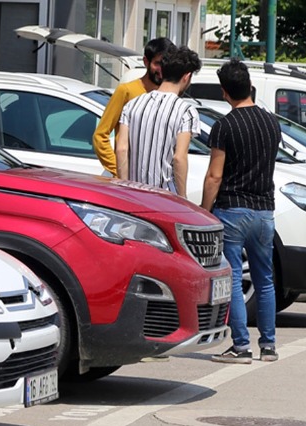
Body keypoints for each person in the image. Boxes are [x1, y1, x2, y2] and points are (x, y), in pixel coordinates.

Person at [201, 59, 282, 364]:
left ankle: (241, 346)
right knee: (265, 280)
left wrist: (205, 212)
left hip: (232, 209)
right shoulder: (272, 123)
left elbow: (214, 176)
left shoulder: (224, 126)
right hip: (264, 212)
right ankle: (269, 345)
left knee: (234, 279)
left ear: (224, 92)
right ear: (250, 86)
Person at [115, 46, 201, 196]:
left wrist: (125, 188)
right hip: (166, 196)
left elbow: (121, 149)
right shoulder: (186, 112)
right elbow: (179, 158)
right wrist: (183, 198)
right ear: (186, 76)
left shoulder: (132, 105)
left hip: (134, 194)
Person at [93, 37, 174, 177]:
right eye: (157, 63)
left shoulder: (170, 96)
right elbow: (100, 136)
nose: (162, 70)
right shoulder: (126, 91)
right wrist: (119, 169)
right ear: (146, 62)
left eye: (166, 64)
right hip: (128, 183)